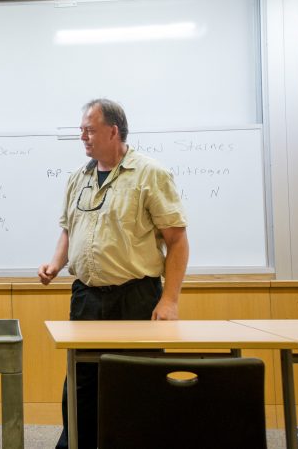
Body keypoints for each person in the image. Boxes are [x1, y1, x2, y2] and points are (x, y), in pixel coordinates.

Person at [38, 99, 189, 449]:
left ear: (113, 130)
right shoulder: (80, 177)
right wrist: (55, 264)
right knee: (81, 384)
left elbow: (177, 240)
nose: (83, 138)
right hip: (87, 297)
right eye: (81, 131)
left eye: (89, 130)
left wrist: (169, 300)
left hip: (136, 296)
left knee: (137, 382)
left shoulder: (150, 174)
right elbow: (67, 229)